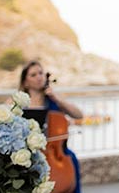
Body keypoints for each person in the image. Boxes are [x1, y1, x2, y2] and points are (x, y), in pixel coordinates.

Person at [20, 60, 84, 193]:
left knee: (71, 157)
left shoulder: (53, 101)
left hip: (56, 155)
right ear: (25, 82)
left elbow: (78, 115)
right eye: (33, 75)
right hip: (28, 155)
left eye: (41, 73)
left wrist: (57, 98)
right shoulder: (18, 102)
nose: (39, 77)